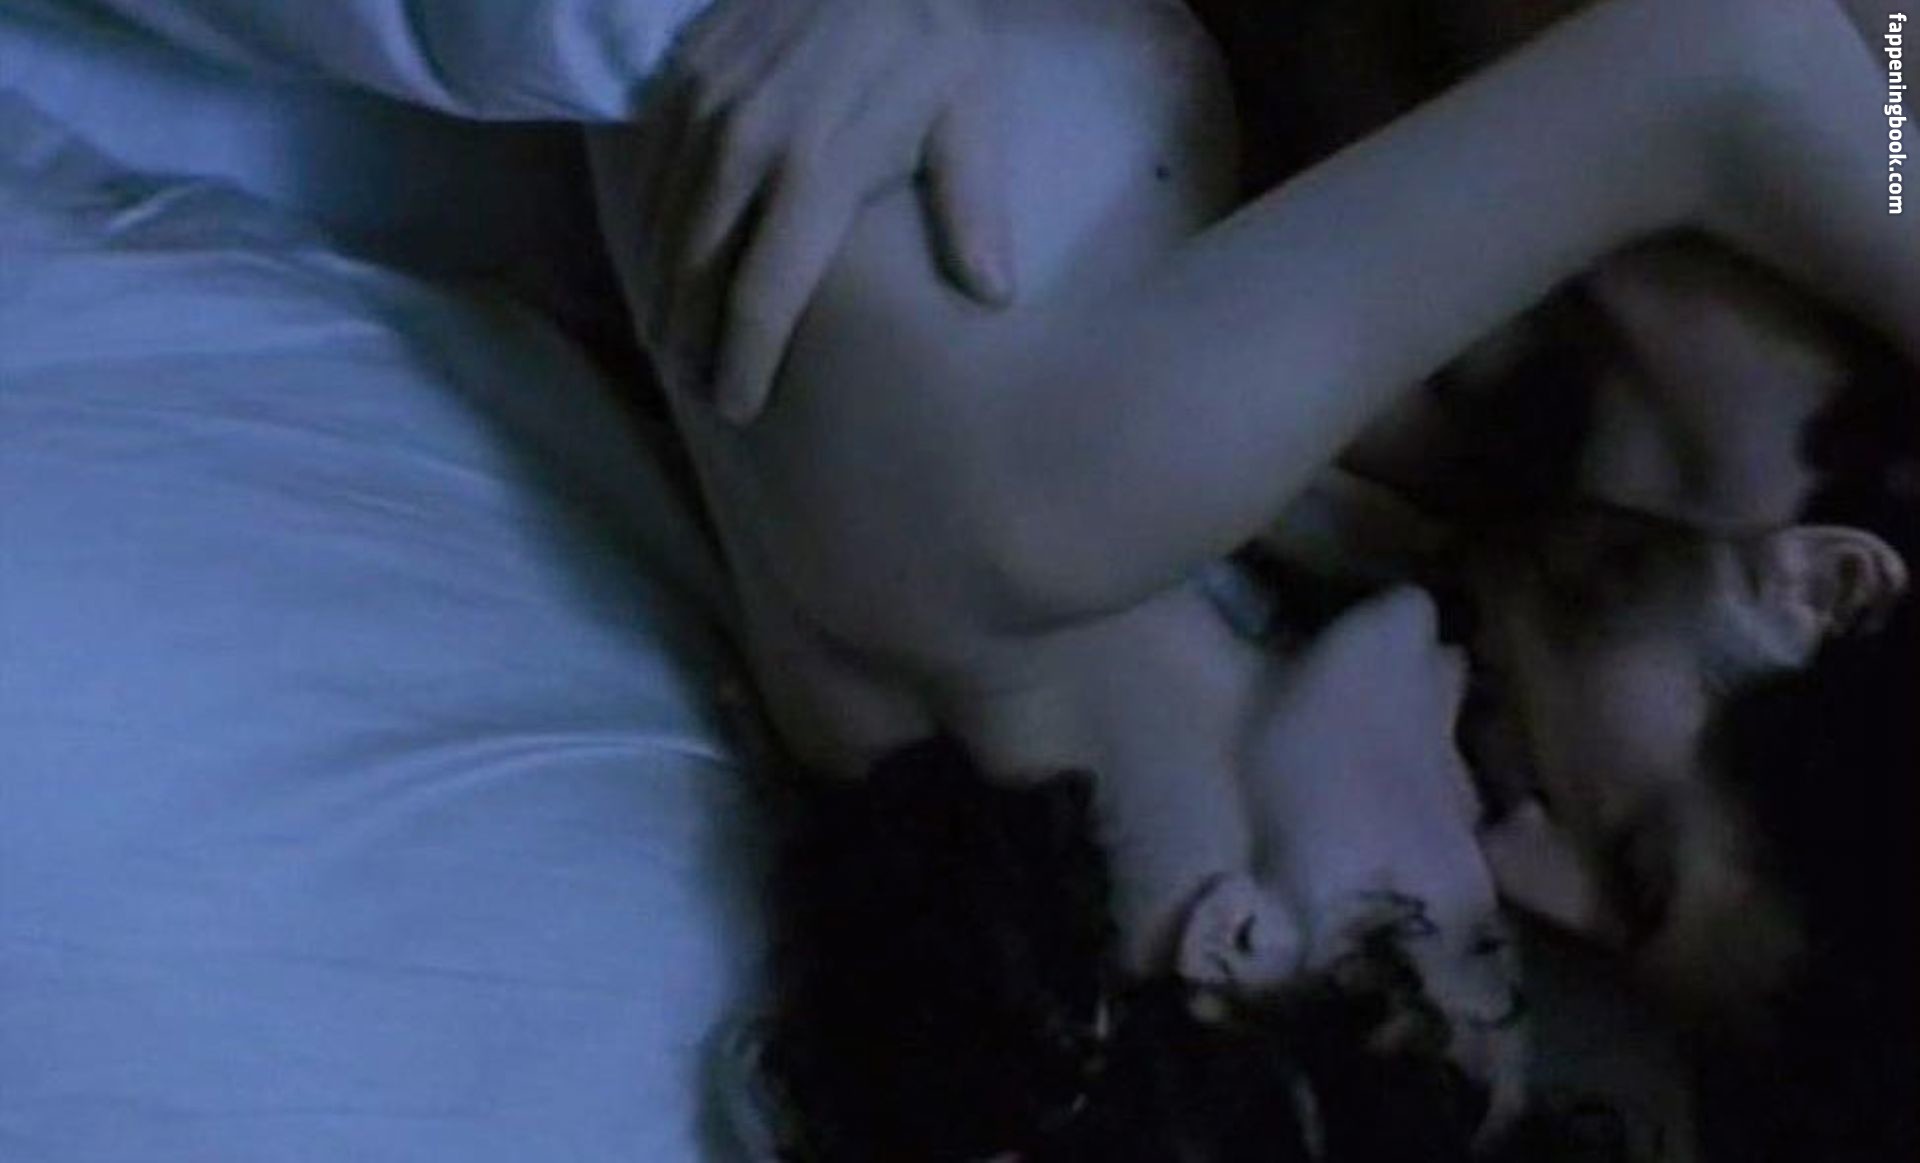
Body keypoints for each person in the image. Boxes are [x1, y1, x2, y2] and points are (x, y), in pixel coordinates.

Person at [587, 0, 1916, 1155]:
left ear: (1233, 941)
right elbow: (1765, 59)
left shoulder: (1062, 537)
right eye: (1629, 865)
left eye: (1484, 937)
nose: (1508, 864)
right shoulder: (954, 647)